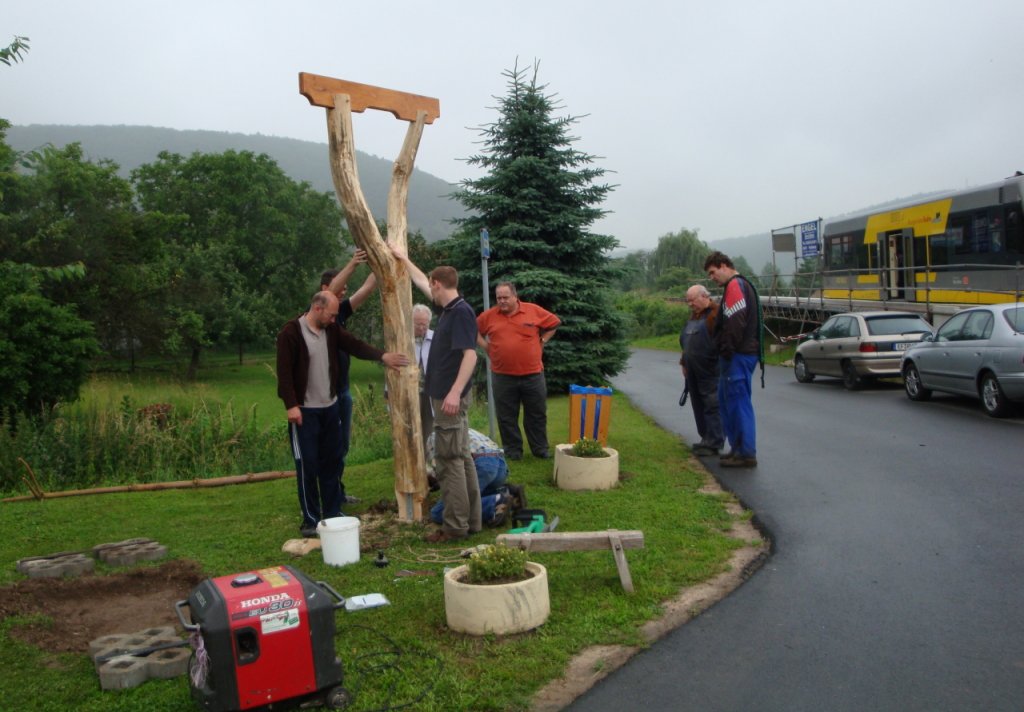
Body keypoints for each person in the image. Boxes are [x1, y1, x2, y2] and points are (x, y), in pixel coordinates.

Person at [276, 291, 408, 538]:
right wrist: (291, 405)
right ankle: (311, 518)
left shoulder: (332, 331)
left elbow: (354, 345)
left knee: (333, 460)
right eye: (332, 314)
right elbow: (283, 373)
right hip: (304, 412)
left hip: (330, 408)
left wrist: (383, 356)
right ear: (317, 308)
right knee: (308, 465)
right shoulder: (291, 333)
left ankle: (333, 511)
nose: (335, 320)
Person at [390, 245, 481, 542]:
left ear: (438, 284)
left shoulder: (462, 313)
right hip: (444, 397)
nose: (428, 287)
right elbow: (419, 281)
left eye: (432, 283)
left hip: (448, 400)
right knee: (461, 456)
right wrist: (403, 258)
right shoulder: (449, 309)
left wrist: (454, 392)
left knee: (449, 460)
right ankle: (472, 521)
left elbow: (471, 355)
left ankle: (455, 527)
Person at [476, 282, 560, 460]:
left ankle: (540, 449)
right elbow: (473, 331)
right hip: (502, 375)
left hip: (533, 374)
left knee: (536, 414)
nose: (502, 301)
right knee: (506, 416)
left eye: (506, 297)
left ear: (515, 296)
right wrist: (486, 347)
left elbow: (554, 323)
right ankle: (513, 451)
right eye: (499, 298)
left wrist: (543, 340)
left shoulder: (532, 310)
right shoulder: (489, 316)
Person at [321, 249, 378, 503]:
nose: (343, 292)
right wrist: (353, 264)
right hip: (325, 394)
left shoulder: (340, 312)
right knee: (329, 447)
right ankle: (326, 494)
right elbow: (332, 291)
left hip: (343, 391)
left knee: (342, 446)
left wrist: (381, 261)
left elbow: (365, 290)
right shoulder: (320, 311)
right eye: (340, 288)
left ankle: (337, 491)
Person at [703, 251, 763, 468]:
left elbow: (735, 322)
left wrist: (726, 350)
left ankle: (746, 452)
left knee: (738, 403)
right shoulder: (740, 285)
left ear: (723, 266)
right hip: (740, 353)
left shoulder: (735, 286)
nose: (712, 278)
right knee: (729, 402)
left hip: (738, 355)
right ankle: (737, 449)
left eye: (712, 272)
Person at [426, 428, 511, 527]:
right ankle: (507, 493)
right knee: (477, 496)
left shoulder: (433, 438)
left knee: (438, 512)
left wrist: (435, 480)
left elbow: (446, 470)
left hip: (480, 464)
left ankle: (495, 502)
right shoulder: (461, 427)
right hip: (500, 463)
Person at [681, 284, 724, 457]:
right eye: (688, 301)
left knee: (712, 405)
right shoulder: (693, 318)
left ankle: (714, 441)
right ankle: (705, 438)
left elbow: (723, 343)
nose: (690, 304)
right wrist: (684, 362)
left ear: (704, 296)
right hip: (692, 369)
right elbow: (685, 343)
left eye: (692, 300)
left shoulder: (716, 316)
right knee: (697, 404)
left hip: (710, 370)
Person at [412, 302, 435, 449]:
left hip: (430, 390)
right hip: (411, 390)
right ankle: (413, 457)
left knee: (429, 424)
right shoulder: (403, 338)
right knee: (411, 425)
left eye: (424, 324)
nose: (421, 328)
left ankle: (428, 458)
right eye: (418, 324)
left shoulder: (435, 338)